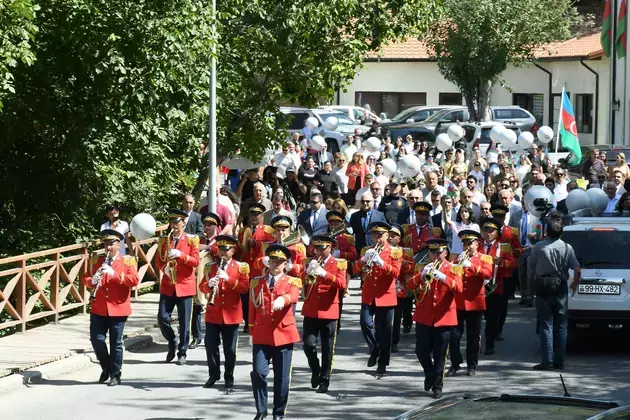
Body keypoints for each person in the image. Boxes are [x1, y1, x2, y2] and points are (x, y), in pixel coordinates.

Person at [249, 244, 301, 420]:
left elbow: (294, 295)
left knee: (282, 378)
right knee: (258, 372)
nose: (276, 264)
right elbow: (252, 308)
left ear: (286, 264)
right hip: (262, 334)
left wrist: (284, 299)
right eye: (273, 261)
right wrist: (251, 331)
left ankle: (278, 413)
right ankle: (261, 410)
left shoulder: (293, 281)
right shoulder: (257, 282)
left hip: (283, 334)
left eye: (280, 262)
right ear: (267, 262)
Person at [407, 238, 463, 398]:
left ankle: (437, 385)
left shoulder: (454, 269)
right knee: (421, 351)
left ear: (445, 253)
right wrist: (421, 275)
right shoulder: (423, 266)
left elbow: (459, 288)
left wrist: (444, 278)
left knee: (440, 354)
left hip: (443, 317)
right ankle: (430, 373)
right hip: (424, 316)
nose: (435, 255)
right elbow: (410, 285)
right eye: (432, 252)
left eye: (439, 252)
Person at [83, 229, 139, 386]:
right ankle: (106, 368)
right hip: (99, 307)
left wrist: (115, 274)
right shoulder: (97, 260)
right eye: (106, 244)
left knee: (116, 343)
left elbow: (134, 280)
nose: (108, 248)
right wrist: (91, 281)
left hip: (118, 307)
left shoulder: (127, 261)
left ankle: (115, 374)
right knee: (96, 339)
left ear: (118, 244)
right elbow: (85, 277)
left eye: (111, 244)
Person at [528, 218, 581, 370]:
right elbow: (577, 269)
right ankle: (559, 361)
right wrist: (575, 284)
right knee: (561, 325)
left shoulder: (539, 246)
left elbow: (531, 267)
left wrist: (530, 288)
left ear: (546, 233)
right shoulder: (567, 247)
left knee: (546, 324)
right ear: (561, 233)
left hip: (543, 286)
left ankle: (547, 361)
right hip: (561, 287)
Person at [199, 235, 250, 389]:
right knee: (210, 345)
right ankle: (213, 374)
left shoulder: (241, 267)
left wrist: (228, 279)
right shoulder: (211, 267)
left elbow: (245, 288)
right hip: (213, 313)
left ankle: (229, 375)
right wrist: (208, 284)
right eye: (220, 249)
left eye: (225, 249)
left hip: (231, 314)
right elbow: (202, 287)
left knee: (230, 349)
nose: (222, 252)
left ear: (233, 250)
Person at [354, 221, 402, 374]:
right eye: (375, 235)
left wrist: (381, 263)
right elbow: (355, 270)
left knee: (384, 331)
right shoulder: (367, 250)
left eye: (381, 234)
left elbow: (396, 272)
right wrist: (362, 260)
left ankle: (383, 362)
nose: (377, 237)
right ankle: (375, 350)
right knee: (365, 324)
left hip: (385, 295)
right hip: (369, 294)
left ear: (388, 235)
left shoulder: (395, 252)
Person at [301, 235, 347, 393]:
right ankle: (315, 369)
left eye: (322, 248)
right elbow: (301, 282)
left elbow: (342, 284)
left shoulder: (339, 263)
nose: (319, 251)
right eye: (316, 248)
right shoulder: (310, 262)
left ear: (330, 248)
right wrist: (306, 272)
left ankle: (325, 379)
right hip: (311, 310)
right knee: (308, 345)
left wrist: (324, 274)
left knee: (328, 349)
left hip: (329, 311)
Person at [156, 209, 201, 365]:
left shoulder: (191, 240)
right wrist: (164, 269)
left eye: (177, 222)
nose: (174, 225)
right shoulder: (164, 240)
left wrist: (181, 256)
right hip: (168, 285)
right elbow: (158, 260)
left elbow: (196, 261)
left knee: (184, 322)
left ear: (183, 223)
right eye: (172, 222)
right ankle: (172, 340)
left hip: (185, 285)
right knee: (162, 318)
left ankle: (182, 352)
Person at [446, 231, 493, 377]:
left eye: (469, 243)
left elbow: (487, 274)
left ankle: (472, 364)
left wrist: (470, 265)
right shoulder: (456, 258)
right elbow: (449, 276)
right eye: (464, 243)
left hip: (475, 302)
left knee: (473, 337)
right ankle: (455, 363)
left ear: (477, 244)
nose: (467, 246)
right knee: (453, 336)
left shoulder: (485, 258)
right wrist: (456, 264)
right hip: (458, 302)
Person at [479, 218, 516, 355]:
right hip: (477, 288)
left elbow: (512, 263)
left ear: (496, 232)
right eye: (485, 230)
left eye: (491, 231)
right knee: (476, 319)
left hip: (494, 287)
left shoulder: (503, 246)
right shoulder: (476, 245)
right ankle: (476, 342)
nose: (488, 233)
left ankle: (489, 344)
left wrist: (501, 262)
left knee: (492, 319)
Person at [190, 212, 222, 349]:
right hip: (200, 278)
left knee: (216, 307)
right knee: (196, 305)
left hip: (217, 278)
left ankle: (216, 334)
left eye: (211, 225)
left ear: (216, 226)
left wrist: (209, 247)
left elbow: (224, 251)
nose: (207, 227)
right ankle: (196, 336)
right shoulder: (199, 240)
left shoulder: (220, 240)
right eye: (206, 224)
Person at [389, 225, 415, 352]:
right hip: (383, 288)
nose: (390, 237)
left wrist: (402, 264)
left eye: (393, 236)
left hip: (398, 288)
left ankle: (393, 342)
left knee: (396, 317)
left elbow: (411, 268)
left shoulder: (406, 251)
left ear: (399, 239)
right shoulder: (381, 250)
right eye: (388, 235)